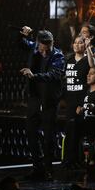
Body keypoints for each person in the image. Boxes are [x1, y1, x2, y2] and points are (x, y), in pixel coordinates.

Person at [19, 27, 65, 180]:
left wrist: (34, 76)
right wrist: (23, 34)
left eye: (47, 49)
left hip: (49, 100)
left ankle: (48, 169)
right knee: (31, 132)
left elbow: (54, 75)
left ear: (52, 44)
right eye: (42, 49)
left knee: (49, 136)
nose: (44, 52)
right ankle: (37, 167)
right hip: (34, 98)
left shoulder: (58, 55)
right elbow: (22, 43)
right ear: (38, 44)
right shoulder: (34, 47)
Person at [62, 36, 95, 168]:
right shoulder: (68, 59)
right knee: (69, 132)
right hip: (69, 101)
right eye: (75, 42)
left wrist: (88, 48)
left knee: (78, 132)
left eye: (80, 42)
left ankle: (77, 160)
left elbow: (93, 66)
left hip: (81, 100)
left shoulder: (87, 59)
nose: (77, 45)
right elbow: (64, 79)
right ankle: (68, 159)